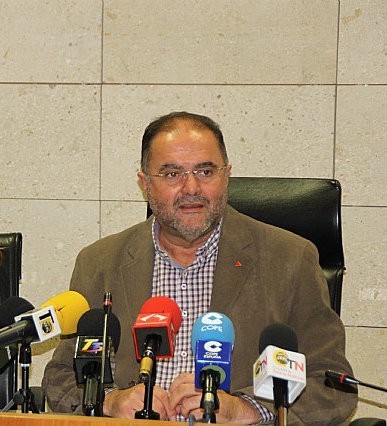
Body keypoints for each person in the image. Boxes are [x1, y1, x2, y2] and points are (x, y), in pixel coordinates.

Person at [42, 111, 358, 424]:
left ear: (226, 175)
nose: (191, 187)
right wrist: (109, 401)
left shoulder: (290, 259)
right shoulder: (100, 262)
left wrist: (247, 409)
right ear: (145, 184)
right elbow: (61, 378)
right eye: (172, 174)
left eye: (205, 171)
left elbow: (332, 385)